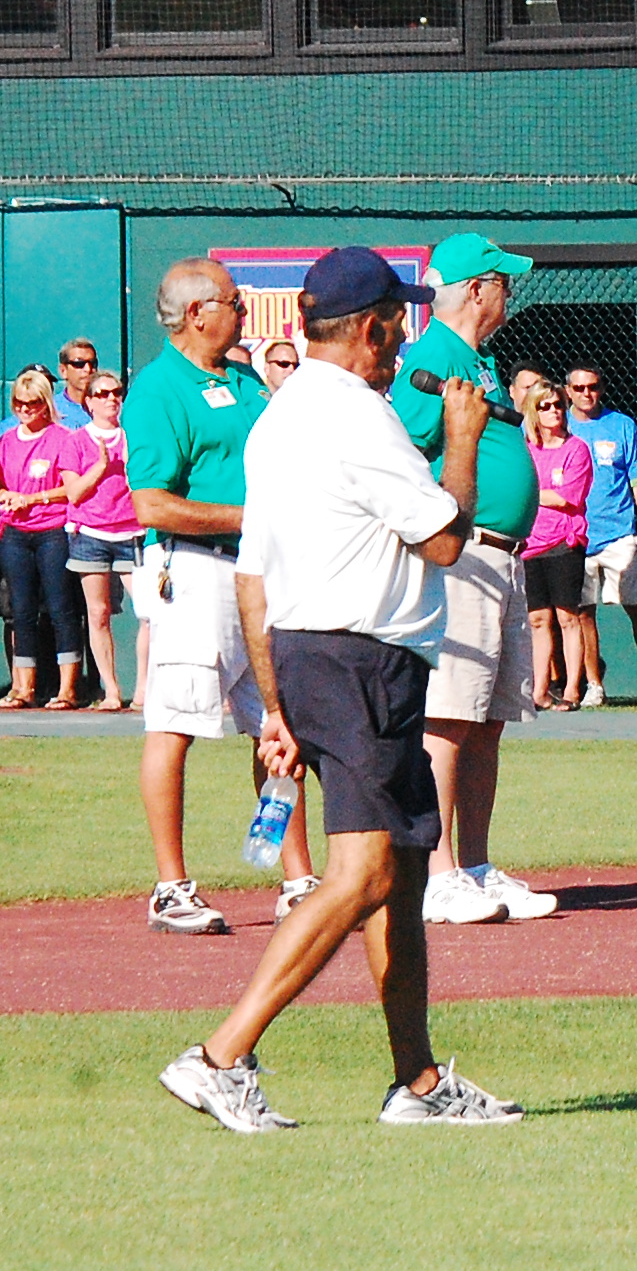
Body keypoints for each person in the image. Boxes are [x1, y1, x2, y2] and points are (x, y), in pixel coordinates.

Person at [159, 246, 520, 1135]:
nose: (402, 336)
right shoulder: (359, 415)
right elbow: (444, 539)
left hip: (320, 659)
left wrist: (278, 707)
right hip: (359, 663)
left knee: (403, 869)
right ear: (371, 328)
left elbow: (254, 577)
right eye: (395, 319)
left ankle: (418, 1080)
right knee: (364, 873)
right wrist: (463, 439)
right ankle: (220, 1056)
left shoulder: (278, 415)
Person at [127, 258, 313, 936]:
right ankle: (170, 887)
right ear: (196, 312)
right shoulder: (158, 389)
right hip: (195, 570)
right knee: (174, 724)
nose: (243, 311)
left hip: (260, 574)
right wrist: (249, 517)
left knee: (279, 725)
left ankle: (299, 881)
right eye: (234, 301)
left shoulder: (242, 379)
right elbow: (151, 503)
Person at [396, 234, 554, 929]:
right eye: (501, 281)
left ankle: (478, 867)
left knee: (486, 721)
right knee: (449, 717)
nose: (508, 294)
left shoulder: (475, 359)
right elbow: (405, 451)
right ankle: (437, 875)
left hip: (502, 559)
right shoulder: (432, 358)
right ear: (473, 289)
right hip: (460, 557)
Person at [565, 363, 637, 713]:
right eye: (579, 388)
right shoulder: (556, 424)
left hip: (619, 535)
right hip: (575, 537)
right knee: (582, 613)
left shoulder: (621, 425)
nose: (587, 394)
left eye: (593, 386)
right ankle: (594, 685)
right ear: (567, 391)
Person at [0, 367, 92, 711]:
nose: (25, 409)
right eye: (19, 403)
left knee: (61, 610)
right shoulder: (6, 440)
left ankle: (67, 689)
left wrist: (32, 499)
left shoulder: (63, 438)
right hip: (15, 534)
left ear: (45, 403)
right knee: (21, 611)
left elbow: (70, 488)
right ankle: (24, 688)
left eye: (32, 403)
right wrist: (3, 494)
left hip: (52, 531)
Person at [60, 367, 141, 713]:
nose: (111, 399)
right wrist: (100, 467)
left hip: (131, 532)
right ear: (89, 402)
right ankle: (111, 690)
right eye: (103, 394)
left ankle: (143, 691)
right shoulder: (75, 441)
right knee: (98, 612)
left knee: (147, 612)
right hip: (90, 534)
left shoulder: (133, 438)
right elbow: (73, 493)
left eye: (116, 393)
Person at [519, 376, 594, 711]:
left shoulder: (576, 449)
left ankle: (572, 689)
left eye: (558, 405)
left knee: (567, 617)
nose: (554, 411)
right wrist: (538, 494)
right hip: (529, 543)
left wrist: (532, 493)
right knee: (538, 619)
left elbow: (568, 498)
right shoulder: (526, 450)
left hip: (565, 543)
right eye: (545, 406)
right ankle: (539, 690)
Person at [52, 339, 102, 427]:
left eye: (93, 363)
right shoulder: (50, 410)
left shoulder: (110, 406)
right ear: (63, 371)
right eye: (79, 364)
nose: (88, 369)